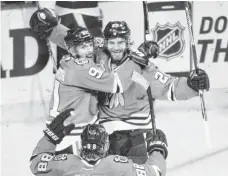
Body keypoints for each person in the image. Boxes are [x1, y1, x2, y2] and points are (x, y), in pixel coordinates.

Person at [30, 8, 210, 163]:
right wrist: (51, 28)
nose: (116, 47)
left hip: (136, 137)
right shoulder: (98, 54)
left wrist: (193, 85)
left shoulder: (143, 67)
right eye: (112, 43)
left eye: (121, 43)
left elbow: (171, 87)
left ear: (128, 42)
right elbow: (74, 42)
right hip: (102, 137)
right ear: (104, 42)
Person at [29, 8, 154, 155]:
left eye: (90, 45)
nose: (90, 50)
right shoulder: (81, 68)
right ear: (72, 50)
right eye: (84, 47)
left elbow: (75, 40)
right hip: (71, 134)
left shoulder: (77, 59)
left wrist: (52, 30)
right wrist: (137, 58)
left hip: (66, 130)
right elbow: (117, 83)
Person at [30, 109, 168, 176]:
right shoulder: (117, 165)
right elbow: (156, 172)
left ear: (80, 147)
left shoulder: (65, 163)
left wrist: (50, 138)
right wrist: (157, 149)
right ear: (106, 147)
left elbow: (35, 163)